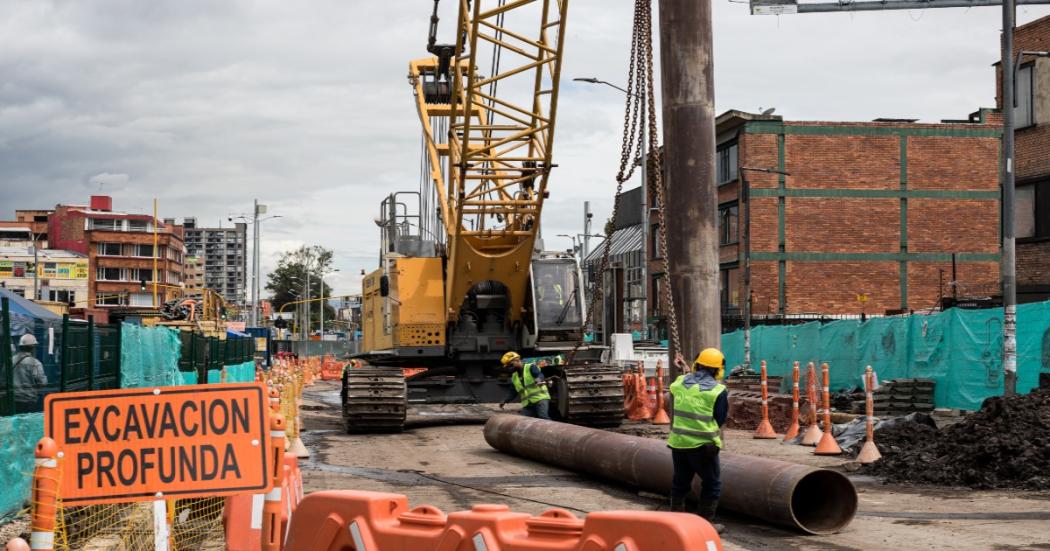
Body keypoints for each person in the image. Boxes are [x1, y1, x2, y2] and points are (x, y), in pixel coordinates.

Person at [667, 347, 728, 533]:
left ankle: (675, 523)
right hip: (703, 447)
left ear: (697, 364)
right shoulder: (718, 391)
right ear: (719, 369)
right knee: (711, 484)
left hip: (678, 444)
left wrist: (684, 368)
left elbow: (689, 382)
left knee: (680, 483)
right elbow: (720, 419)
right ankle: (704, 527)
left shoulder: (679, 383)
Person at [498, 351, 552, 420]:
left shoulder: (530, 367)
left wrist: (538, 379)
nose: (509, 368)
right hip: (528, 403)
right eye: (507, 366)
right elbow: (513, 392)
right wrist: (505, 401)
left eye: (510, 365)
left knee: (543, 417)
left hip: (540, 398)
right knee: (524, 420)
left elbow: (540, 374)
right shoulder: (514, 377)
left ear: (517, 360)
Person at [12, 334, 47, 414]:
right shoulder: (35, 363)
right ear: (33, 348)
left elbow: (4, 378)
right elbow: (42, 382)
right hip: (28, 400)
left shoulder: (11, 361)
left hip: (12, 399)